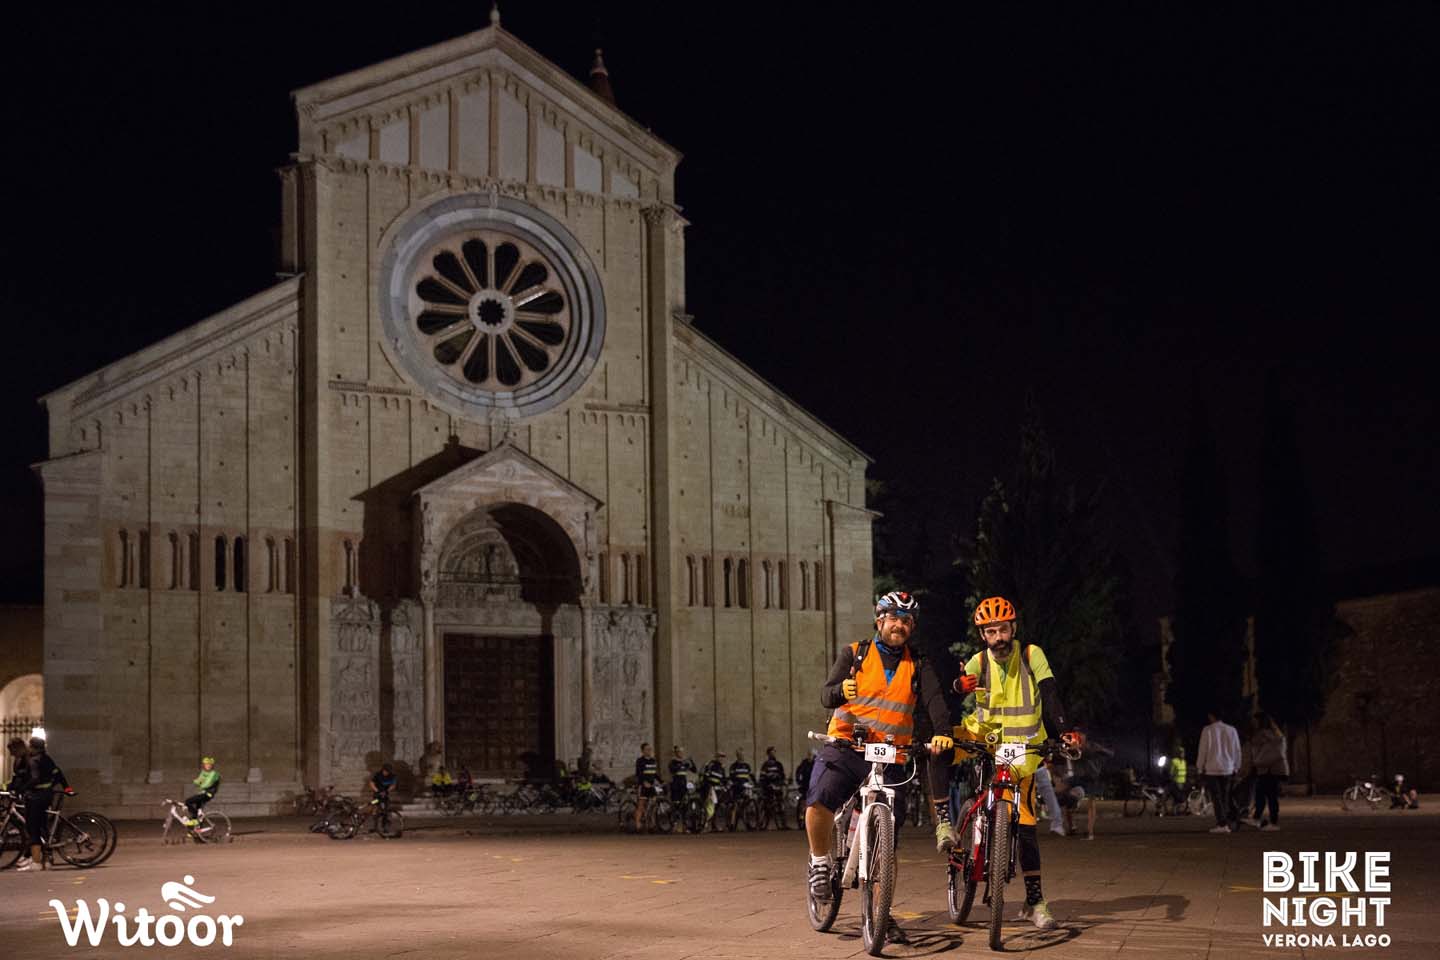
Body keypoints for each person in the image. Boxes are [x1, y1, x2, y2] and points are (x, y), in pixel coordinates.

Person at [805, 590, 952, 945]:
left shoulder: (918, 663)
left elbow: (935, 700)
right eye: (893, 618)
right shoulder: (855, 653)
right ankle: (820, 862)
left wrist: (943, 733)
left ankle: (880, 912)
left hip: (891, 755)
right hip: (847, 746)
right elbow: (826, 695)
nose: (899, 626)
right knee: (820, 798)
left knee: (888, 842)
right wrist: (841, 690)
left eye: (906, 621)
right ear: (879, 620)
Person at [944, 596, 1084, 930]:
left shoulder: (1031, 655)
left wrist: (1064, 730)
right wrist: (958, 685)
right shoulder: (979, 660)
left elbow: (1050, 693)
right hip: (986, 738)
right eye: (991, 632)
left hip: (1024, 749)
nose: (999, 638)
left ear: (1014, 628)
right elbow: (958, 687)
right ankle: (945, 823)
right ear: (983, 635)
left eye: (1003, 630)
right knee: (939, 746)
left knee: (1026, 824)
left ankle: (1034, 900)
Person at [14, 736, 66, 872]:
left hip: (36, 797)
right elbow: (56, 773)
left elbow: (35, 778)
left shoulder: (34, 760)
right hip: (45, 795)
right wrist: (60, 787)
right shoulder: (46, 758)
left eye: (30, 746)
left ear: (33, 748)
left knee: (34, 829)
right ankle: (46, 860)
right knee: (42, 827)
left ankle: (36, 862)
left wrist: (22, 789)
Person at [1197, 710, 1242, 833]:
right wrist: (1236, 766)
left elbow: (1203, 750)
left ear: (1211, 716)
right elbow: (1237, 750)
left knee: (1216, 797)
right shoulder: (1231, 730)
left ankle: (1222, 823)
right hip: (1228, 768)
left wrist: (1200, 767)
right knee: (1225, 796)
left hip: (1212, 769)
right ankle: (1226, 821)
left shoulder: (1207, 730)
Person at [1245, 713, 1288, 830]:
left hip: (1270, 770)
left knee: (1270, 796)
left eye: (1255, 721)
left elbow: (1272, 754)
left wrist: (1257, 761)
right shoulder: (1273, 734)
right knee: (1262, 794)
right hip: (1267, 770)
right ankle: (1258, 818)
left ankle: (1273, 822)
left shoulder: (1268, 735)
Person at [184, 756, 221, 826]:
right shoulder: (203, 772)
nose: (208, 766)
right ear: (204, 765)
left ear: (212, 765)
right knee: (198, 811)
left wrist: (200, 782)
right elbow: (197, 782)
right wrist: (199, 782)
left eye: (210, 764)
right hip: (202, 793)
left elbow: (206, 784)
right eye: (206, 764)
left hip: (208, 794)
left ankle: (195, 819)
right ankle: (197, 828)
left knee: (188, 801)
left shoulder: (214, 774)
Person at [633, 742, 661, 831]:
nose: (649, 751)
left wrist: (661, 781)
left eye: (650, 749)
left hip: (652, 786)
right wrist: (644, 782)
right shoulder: (640, 761)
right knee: (641, 805)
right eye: (647, 749)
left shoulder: (653, 760)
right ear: (643, 751)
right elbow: (638, 774)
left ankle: (652, 824)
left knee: (653, 804)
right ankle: (638, 824)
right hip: (643, 786)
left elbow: (654, 773)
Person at [1034, 759, 1066, 836]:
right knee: (1050, 798)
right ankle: (1056, 825)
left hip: (1026, 769)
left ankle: (1056, 825)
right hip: (1037, 769)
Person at [759, 747, 788, 829]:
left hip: (777, 786)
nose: (773, 754)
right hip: (768, 787)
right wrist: (767, 785)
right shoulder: (765, 765)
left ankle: (783, 824)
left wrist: (783, 783)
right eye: (771, 753)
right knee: (767, 804)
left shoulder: (778, 764)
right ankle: (763, 821)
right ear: (768, 754)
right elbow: (762, 777)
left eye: (774, 752)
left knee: (781, 803)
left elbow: (782, 775)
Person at [702, 751, 728, 828]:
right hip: (709, 787)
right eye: (720, 757)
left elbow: (723, 779)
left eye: (723, 757)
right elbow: (706, 776)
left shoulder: (722, 768)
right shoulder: (711, 765)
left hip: (717, 788)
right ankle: (705, 823)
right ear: (716, 757)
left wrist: (726, 785)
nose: (721, 759)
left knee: (718, 805)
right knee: (710, 807)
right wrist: (709, 787)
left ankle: (714, 824)